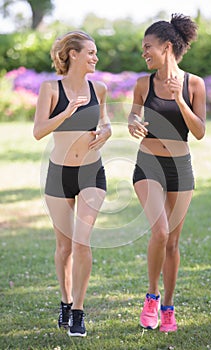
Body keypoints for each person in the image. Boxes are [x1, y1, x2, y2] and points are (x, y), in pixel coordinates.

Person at [128, 13, 206, 332]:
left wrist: (179, 100)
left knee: (173, 242)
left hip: (180, 168)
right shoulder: (142, 84)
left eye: (149, 46)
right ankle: (151, 297)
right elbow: (133, 116)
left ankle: (169, 308)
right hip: (148, 164)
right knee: (159, 232)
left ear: (168, 47)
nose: (144, 52)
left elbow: (199, 131)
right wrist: (133, 123)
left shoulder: (194, 84)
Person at [33, 30, 111, 337]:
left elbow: (103, 122)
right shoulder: (50, 88)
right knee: (64, 247)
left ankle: (78, 310)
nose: (95, 57)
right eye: (90, 52)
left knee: (81, 242)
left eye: (95, 52)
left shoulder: (100, 89)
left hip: (92, 173)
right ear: (73, 54)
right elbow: (38, 131)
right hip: (58, 175)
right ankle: (65, 301)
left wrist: (107, 131)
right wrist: (65, 113)